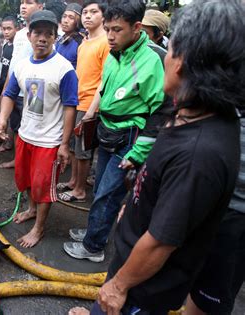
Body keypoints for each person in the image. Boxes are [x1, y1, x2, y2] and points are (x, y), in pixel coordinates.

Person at [86, 1, 244, 314]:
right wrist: (131, 207)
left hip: (140, 292)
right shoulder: (194, 113)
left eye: (169, 49)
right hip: (132, 269)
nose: (164, 57)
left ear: (182, 63)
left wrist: (118, 287)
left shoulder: (200, 152)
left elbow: (161, 240)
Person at [63, 0, 165, 262]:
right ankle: (95, 232)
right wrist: (90, 116)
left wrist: (138, 152)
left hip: (130, 139)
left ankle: (93, 247)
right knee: (100, 190)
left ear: (137, 27)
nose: (109, 36)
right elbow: (105, 90)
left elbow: (160, 112)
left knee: (109, 193)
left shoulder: (151, 60)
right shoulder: (115, 53)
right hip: (108, 131)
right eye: (107, 28)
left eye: (117, 30)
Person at [0, 10, 78, 248]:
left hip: (49, 141)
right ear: (29, 35)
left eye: (48, 34)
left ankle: (39, 229)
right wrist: (2, 118)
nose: (42, 38)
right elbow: (10, 93)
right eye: (38, 33)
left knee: (43, 187)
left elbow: (70, 107)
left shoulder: (64, 69)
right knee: (26, 179)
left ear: (55, 37)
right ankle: (31, 209)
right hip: (25, 135)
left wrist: (64, 144)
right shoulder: (21, 65)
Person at [57, 0, 109, 203]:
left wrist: (92, 110)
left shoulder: (105, 42)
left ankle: (79, 190)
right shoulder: (85, 41)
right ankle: (72, 182)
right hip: (77, 100)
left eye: (93, 12)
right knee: (75, 148)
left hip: (89, 104)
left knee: (83, 151)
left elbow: (106, 79)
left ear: (103, 16)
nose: (87, 16)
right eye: (85, 12)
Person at [0, 0, 44, 169]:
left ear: (40, 6)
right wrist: (7, 86)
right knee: (17, 126)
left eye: (29, 2)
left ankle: (34, 163)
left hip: (35, 88)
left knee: (34, 126)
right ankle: (19, 160)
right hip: (16, 88)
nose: (23, 6)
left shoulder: (46, 33)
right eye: (22, 2)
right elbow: (14, 63)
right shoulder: (20, 34)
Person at [0, 15, 18, 153]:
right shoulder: (6, 45)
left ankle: (6, 143)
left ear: (16, 29)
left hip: (9, 89)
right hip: (0, 86)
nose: (6, 32)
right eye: (4, 29)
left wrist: (6, 89)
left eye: (9, 29)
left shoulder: (17, 48)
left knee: (9, 117)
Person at [55, 3, 83, 69]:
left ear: (78, 21)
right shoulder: (60, 40)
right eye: (64, 16)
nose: (65, 21)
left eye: (71, 18)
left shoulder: (81, 42)